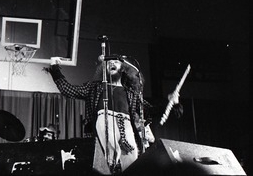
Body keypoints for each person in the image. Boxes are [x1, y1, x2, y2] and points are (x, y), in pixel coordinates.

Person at [43, 54, 183, 175]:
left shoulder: (131, 94)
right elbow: (68, 90)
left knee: (131, 164)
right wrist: (55, 69)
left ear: (123, 68)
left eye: (115, 61)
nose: (111, 63)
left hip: (126, 128)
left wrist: (173, 103)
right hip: (103, 124)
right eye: (108, 62)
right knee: (106, 163)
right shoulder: (95, 88)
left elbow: (150, 110)